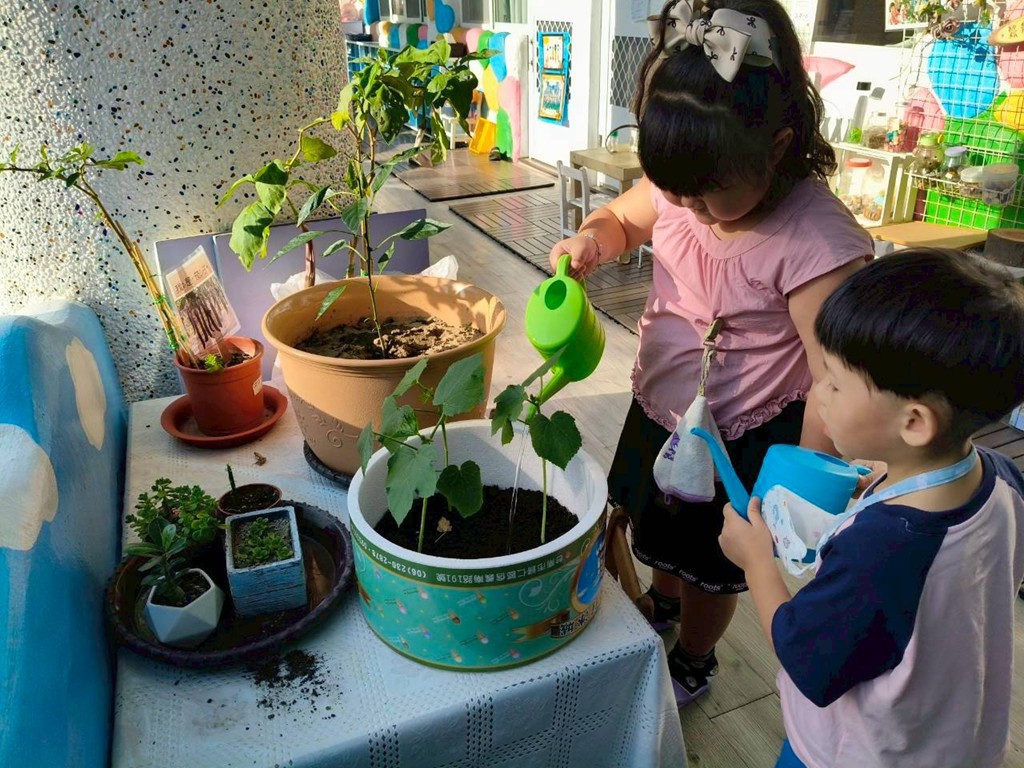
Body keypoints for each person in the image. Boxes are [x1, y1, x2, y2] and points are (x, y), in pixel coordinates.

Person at [548, 0, 873, 705]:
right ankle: (662, 603)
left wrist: (798, 485)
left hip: (744, 436)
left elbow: (833, 378)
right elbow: (625, 216)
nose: (687, 206)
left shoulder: (815, 242)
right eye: (674, 189)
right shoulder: (683, 187)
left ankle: (696, 655)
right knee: (661, 529)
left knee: (712, 562)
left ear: (777, 148)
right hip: (663, 409)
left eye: (708, 194)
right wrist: (593, 239)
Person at [719, 249, 1024, 768]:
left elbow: (807, 660)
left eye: (835, 382)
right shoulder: (1003, 477)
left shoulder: (882, 547)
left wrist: (756, 564)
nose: (817, 392)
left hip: (859, 754)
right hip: (955, 739)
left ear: (914, 423)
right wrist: (882, 483)